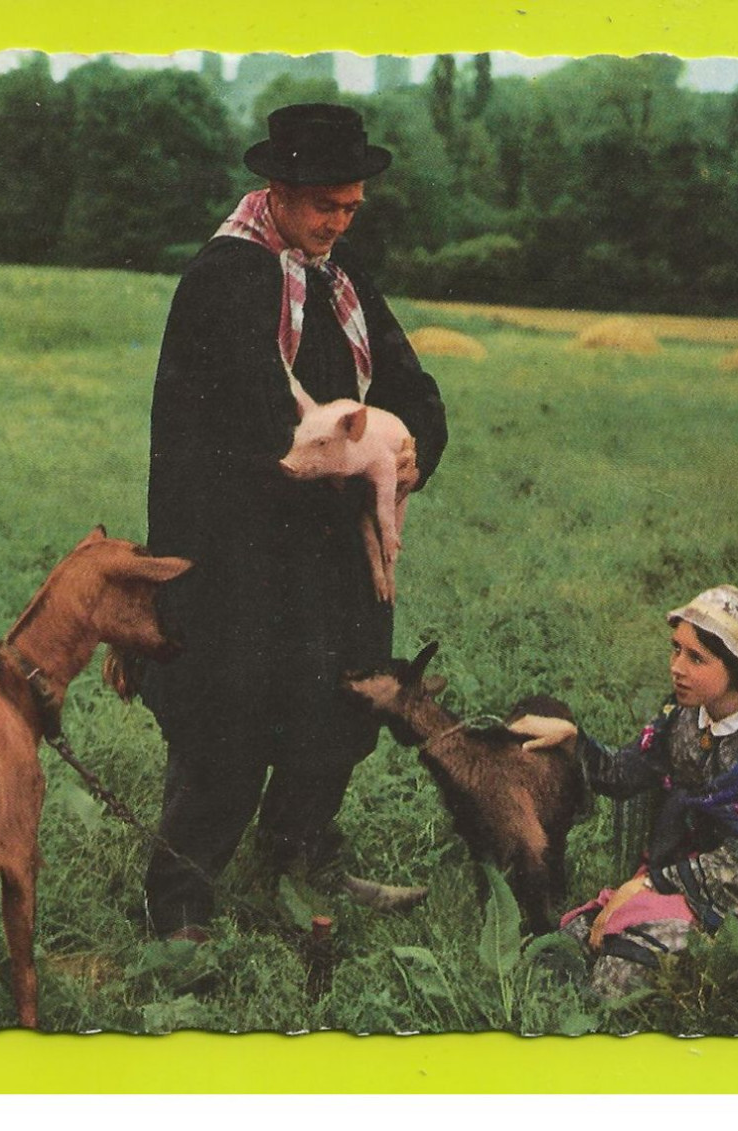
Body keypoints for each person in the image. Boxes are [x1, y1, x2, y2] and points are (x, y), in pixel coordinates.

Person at [138, 104, 448, 939]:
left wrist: (414, 450)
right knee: (225, 726)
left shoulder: (343, 282)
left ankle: (304, 862)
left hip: (334, 556)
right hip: (238, 553)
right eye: (324, 206)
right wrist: (325, 479)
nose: (338, 223)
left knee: (336, 710)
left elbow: (410, 387)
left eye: (351, 208)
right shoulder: (225, 278)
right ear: (276, 190)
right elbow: (229, 434)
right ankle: (180, 907)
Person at [510, 585, 738, 996]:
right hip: (680, 872)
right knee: (556, 949)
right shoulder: (683, 716)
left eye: (695, 657)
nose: (676, 667)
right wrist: (574, 739)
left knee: (619, 971)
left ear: (736, 668)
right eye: (675, 649)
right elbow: (624, 773)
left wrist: (645, 886)